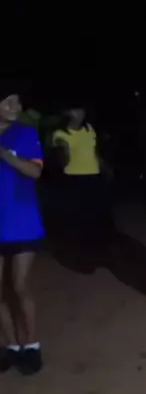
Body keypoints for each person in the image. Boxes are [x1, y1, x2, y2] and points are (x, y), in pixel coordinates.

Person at [0, 90, 44, 375]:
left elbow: (34, 172)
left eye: (17, 101)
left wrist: (4, 153)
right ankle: (11, 346)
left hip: (23, 222)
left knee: (19, 287)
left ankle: (32, 345)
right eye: (8, 101)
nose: (16, 106)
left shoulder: (25, 133)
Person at [52, 105, 112, 271]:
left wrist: (106, 168)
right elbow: (63, 163)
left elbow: (93, 153)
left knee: (97, 217)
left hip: (93, 178)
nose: (79, 114)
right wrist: (63, 150)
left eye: (81, 110)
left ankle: (95, 254)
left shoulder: (89, 129)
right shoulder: (60, 134)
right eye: (74, 110)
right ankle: (79, 257)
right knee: (79, 219)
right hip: (75, 180)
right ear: (66, 113)